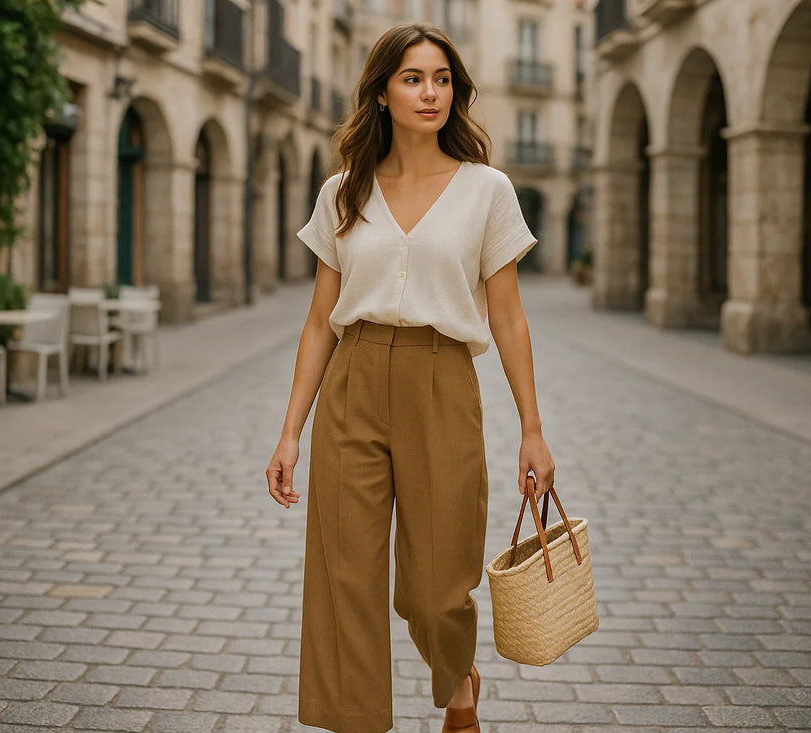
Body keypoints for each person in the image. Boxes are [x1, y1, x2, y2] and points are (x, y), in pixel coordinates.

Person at [265, 22, 555, 733]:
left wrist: (533, 430)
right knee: (345, 579)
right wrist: (289, 432)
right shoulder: (343, 190)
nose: (431, 92)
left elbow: (510, 319)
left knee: (434, 590)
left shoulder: (487, 189)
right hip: (353, 381)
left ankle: (458, 678)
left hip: (442, 382)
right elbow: (317, 321)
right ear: (383, 93)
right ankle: (354, 718)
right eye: (413, 78)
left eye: (442, 78)